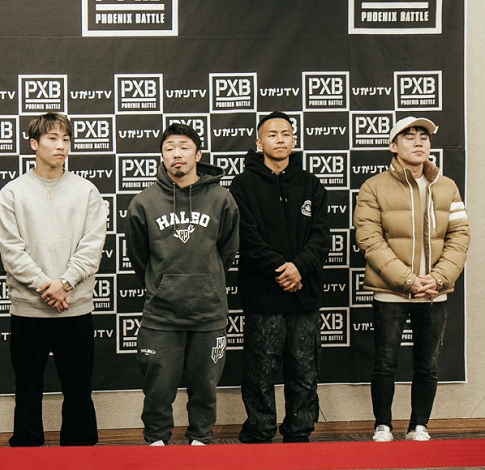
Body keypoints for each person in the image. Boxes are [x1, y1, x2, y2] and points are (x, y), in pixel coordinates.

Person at [354, 116, 470, 442]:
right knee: (385, 363)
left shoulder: (447, 186)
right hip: (390, 293)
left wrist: (439, 278)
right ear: (393, 146)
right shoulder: (373, 187)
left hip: (434, 293)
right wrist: (407, 280)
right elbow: (370, 239)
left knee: (427, 364)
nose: (419, 142)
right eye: (409, 136)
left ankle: (419, 426)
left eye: (424, 137)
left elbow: (460, 236)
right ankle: (383, 426)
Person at [0, 112, 107, 447]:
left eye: (66, 139)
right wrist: (48, 287)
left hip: (74, 307)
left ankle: (81, 456)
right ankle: (28, 456)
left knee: (78, 390)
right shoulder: (13, 193)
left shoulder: (86, 191)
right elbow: (12, 251)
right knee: (27, 390)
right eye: (53, 139)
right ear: (34, 144)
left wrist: (66, 284)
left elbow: (92, 246)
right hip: (29, 310)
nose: (61, 146)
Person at [125, 123, 239, 446]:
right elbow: (139, 256)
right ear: (162, 155)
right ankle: (156, 442)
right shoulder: (144, 202)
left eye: (184, 147)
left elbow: (227, 252)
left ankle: (201, 441)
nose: (177, 153)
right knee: (158, 390)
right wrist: (163, 284)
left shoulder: (221, 199)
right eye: (170, 148)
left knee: (205, 388)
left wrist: (206, 280)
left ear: (198, 155)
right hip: (162, 316)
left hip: (208, 313)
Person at [229, 111, 330, 443]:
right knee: (259, 371)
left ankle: (299, 432)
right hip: (263, 295)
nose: (280, 139)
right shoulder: (242, 185)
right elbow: (247, 238)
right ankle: (259, 431)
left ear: (294, 140)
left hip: (304, 295)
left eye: (286, 133)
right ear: (259, 143)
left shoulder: (311, 184)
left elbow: (321, 237)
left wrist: (299, 267)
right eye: (272, 134)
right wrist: (283, 269)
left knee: (304, 371)